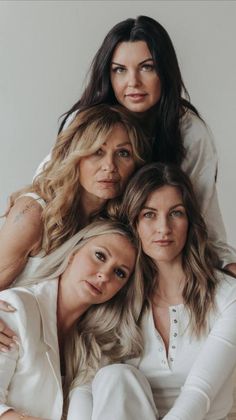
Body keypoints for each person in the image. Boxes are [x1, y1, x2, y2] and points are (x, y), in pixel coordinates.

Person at [36, 15, 236, 276]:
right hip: (84, 248)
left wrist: (225, 262)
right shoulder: (85, 120)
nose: (133, 82)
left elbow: (202, 213)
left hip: (153, 258)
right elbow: (45, 186)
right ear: (108, 75)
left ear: (164, 72)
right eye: (120, 70)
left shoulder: (189, 132)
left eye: (147, 67)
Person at [83, 163, 236, 420]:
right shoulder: (116, 298)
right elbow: (85, 383)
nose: (163, 228)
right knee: (114, 376)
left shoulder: (227, 295)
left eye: (175, 213)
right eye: (149, 214)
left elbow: (199, 394)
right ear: (134, 223)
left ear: (190, 220)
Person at [0, 219, 150, 420]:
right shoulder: (15, 307)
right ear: (73, 253)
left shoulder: (99, 347)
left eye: (119, 272)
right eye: (100, 256)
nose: (104, 275)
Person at [0, 104, 150, 290]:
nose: (109, 166)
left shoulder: (117, 226)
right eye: (98, 152)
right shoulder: (33, 212)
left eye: (123, 153)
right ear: (75, 155)